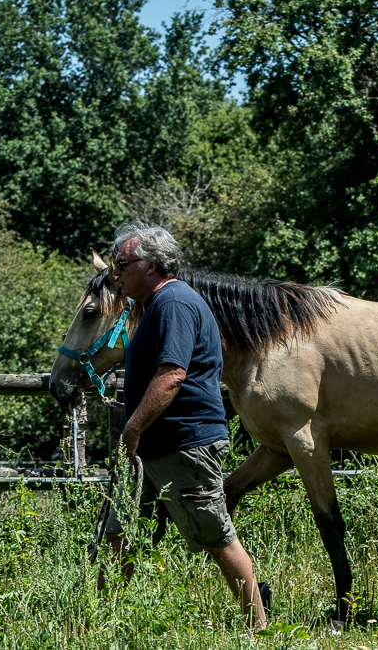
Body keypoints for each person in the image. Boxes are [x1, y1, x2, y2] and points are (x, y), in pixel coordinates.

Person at [102, 222, 267, 630]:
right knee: (119, 531)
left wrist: (132, 428)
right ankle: (100, 623)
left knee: (215, 534)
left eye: (122, 263)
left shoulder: (173, 303)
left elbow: (173, 375)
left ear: (152, 265)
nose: (116, 273)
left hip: (182, 443)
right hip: (155, 447)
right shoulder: (155, 306)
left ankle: (260, 628)